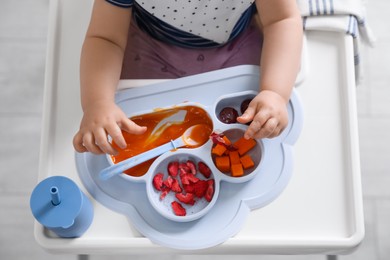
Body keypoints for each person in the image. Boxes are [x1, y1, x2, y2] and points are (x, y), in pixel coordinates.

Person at [73, 0, 303, 155]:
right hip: (149, 41)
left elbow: (281, 20)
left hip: (235, 41)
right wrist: (98, 102)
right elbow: (106, 38)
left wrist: (275, 93)